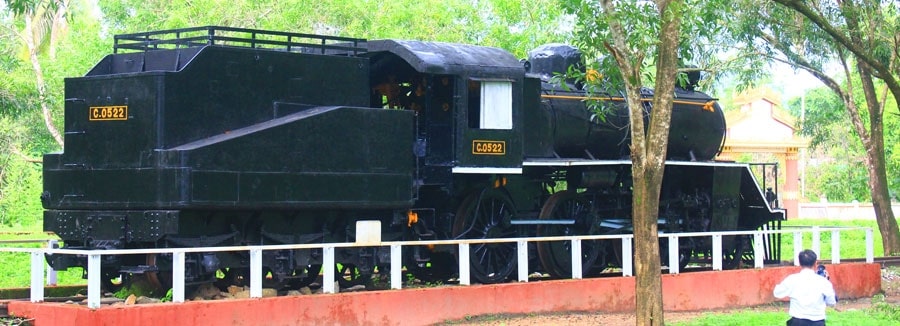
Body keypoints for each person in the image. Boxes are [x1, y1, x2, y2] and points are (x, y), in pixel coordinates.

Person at [773, 249, 837, 325]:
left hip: (797, 322)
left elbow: (777, 293)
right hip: (817, 322)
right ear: (815, 263)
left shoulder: (792, 279)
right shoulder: (823, 281)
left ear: (800, 263)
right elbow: (831, 302)